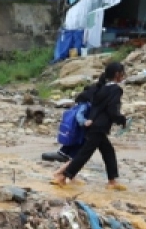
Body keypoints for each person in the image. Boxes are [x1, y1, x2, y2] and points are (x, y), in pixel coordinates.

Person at [52, 62, 128, 191]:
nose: (123, 76)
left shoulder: (101, 88)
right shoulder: (116, 89)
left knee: (108, 152)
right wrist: (121, 119)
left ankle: (112, 181)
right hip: (99, 127)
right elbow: (112, 110)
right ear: (117, 75)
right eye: (122, 73)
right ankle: (63, 176)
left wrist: (90, 120)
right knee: (85, 154)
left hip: (94, 126)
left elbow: (95, 107)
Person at [41, 83, 96, 163]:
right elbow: (79, 115)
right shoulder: (85, 105)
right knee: (77, 142)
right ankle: (67, 156)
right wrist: (84, 122)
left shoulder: (81, 104)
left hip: (79, 129)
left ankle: (69, 156)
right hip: (80, 129)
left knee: (76, 142)